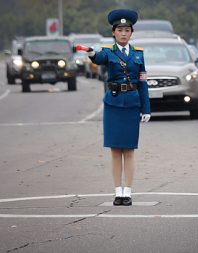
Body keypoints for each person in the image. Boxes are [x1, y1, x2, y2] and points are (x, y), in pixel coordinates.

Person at [76, 9, 151, 206]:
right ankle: (118, 192)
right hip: (114, 104)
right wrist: (91, 52)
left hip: (133, 103)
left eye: (127, 30)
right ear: (113, 33)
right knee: (115, 150)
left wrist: (147, 108)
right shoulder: (108, 53)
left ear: (131, 33)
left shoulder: (138, 55)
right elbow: (98, 57)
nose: (124, 33)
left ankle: (128, 192)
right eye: (120, 30)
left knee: (130, 150)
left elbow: (143, 82)